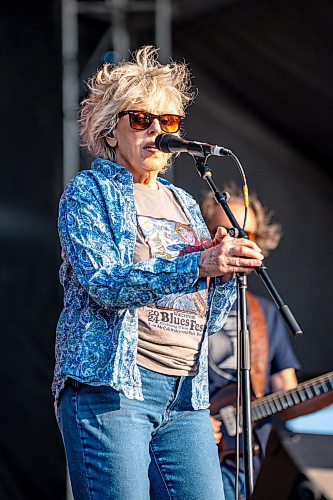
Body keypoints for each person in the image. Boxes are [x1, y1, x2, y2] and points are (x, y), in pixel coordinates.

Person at [52, 47, 264, 500]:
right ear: (111, 130)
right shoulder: (89, 192)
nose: (156, 131)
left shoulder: (185, 201)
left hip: (185, 395)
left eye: (168, 122)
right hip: (115, 388)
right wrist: (195, 264)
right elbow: (105, 284)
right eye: (141, 119)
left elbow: (202, 307)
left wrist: (222, 272)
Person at [201, 185, 300, 499]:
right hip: (197, 451)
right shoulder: (185, 301)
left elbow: (289, 394)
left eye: (248, 235)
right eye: (228, 232)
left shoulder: (265, 314)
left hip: (253, 464)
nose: (239, 242)